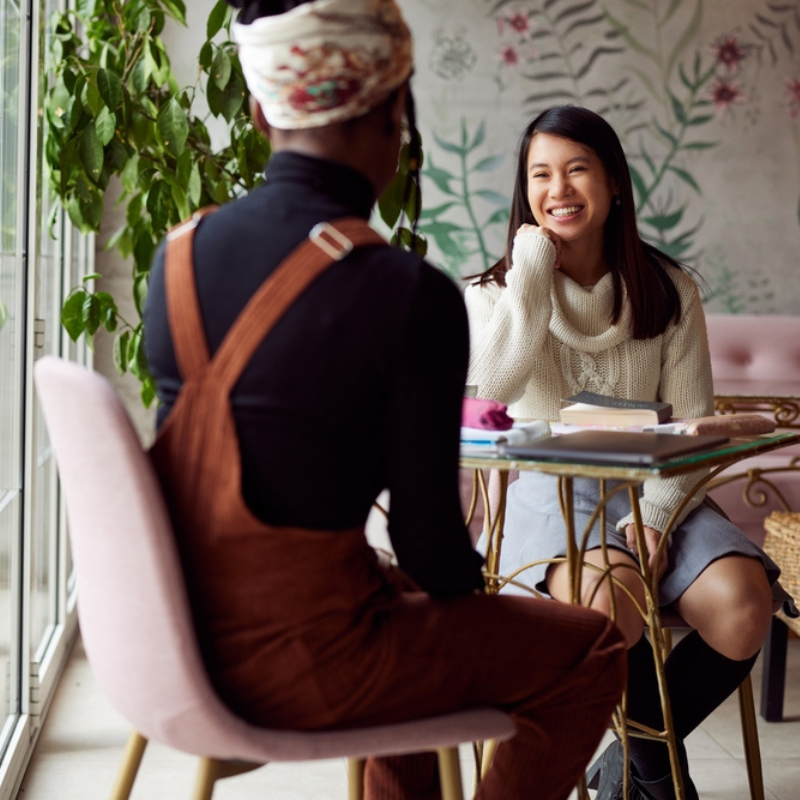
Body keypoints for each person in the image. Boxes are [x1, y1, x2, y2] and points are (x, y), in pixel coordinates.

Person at [143, 4, 626, 799]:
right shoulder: (406, 295)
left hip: (179, 639)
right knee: (593, 651)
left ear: (262, 112)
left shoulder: (178, 257)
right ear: (397, 113)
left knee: (396, 601)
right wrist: (474, 612)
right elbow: (432, 548)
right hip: (309, 668)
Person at [465, 105, 799, 800]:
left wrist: (654, 516)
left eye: (577, 170)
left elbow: (695, 423)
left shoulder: (669, 290)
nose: (558, 189)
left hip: (660, 487)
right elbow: (496, 388)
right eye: (541, 174)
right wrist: (530, 271)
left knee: (747, 605)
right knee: (613, 600)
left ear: (614, 181)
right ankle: (661, 778)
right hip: (554, 491)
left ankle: (637, 752)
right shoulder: (496, 292)